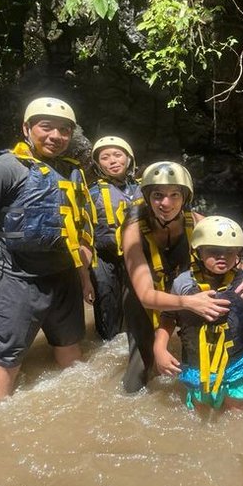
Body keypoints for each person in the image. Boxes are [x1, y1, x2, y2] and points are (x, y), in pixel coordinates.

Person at [0, 97, 96, 398]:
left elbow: (81, 226)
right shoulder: (6, 168)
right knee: (7, 359)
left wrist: (84, 277)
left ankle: (76, 415)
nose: (56, 136)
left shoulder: (72, 171)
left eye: (64, 130)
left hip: (64, 277)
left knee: (71, 351)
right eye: (46, 127)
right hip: (18, 279)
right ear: (26, 128)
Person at [121, 161, 243, 393]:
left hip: (178, 289)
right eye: (157, 195)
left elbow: (229, 256)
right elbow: (146, 296)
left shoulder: (197, 221)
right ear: (147, 197)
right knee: (138, 373)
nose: (165, 203)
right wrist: (188, 303)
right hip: (143, 295)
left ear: (185, 197)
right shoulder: (132, 228)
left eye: (174, 195)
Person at [153, 216, 243, 411]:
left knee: (237, 411)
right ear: (198, 251)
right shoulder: (183, 284)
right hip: (197, 365)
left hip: (237, 362)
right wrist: (159, 348)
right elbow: (168, 316)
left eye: (229, 251)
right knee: (201, 411)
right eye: (214, 251)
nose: (222, 257)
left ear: (238, 253)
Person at [89, 136, 142, 340]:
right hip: (104, 257)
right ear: (98, 163)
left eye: (118, 155)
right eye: (105, 157)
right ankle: (107, 344)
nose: (112, 160)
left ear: (128, 159)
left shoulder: (144, 189)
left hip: (136, 255)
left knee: (138, 306)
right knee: (107, 304)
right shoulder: (91, 193)